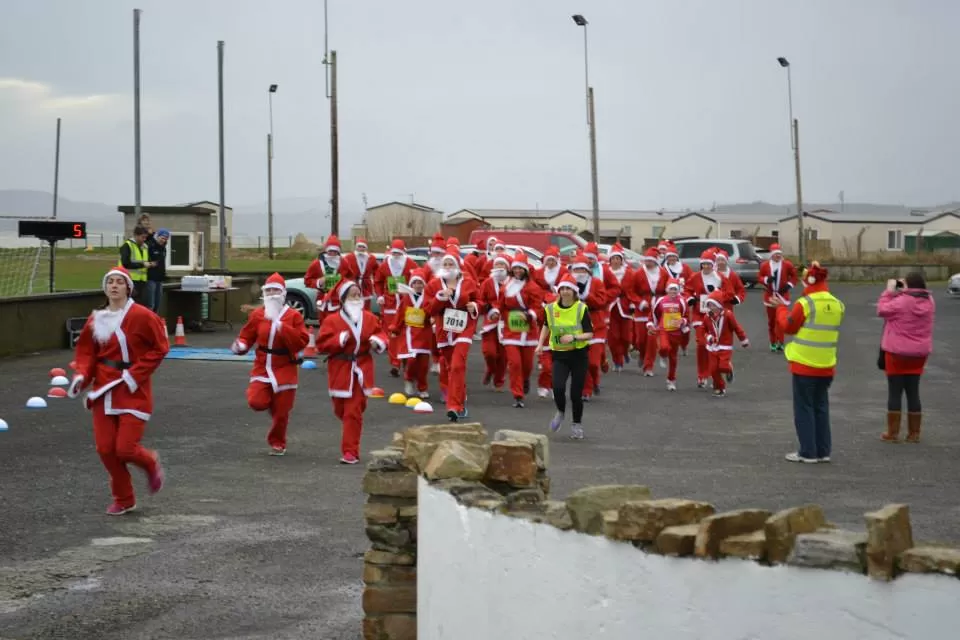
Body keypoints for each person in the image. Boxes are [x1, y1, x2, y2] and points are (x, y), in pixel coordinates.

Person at [67, 266, 169, 515]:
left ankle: (149, 462)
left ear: (128, 287)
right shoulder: (97, 318)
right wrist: (82, 375)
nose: (114, 286)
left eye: (119, 282)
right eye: (110, 282)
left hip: (132, 389)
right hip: (103, 389)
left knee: (125, 448)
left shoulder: (142, 315)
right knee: (105, 449)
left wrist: (135, 375)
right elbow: (87, 353)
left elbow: (161, 347)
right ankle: (124, 499)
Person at [771, 261, 844, 464]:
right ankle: (823, 450)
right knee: (821, 407)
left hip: (804, 364)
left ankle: (807, 452)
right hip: (827, 365)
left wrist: (780, 309)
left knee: (804, 408)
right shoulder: (838, 304)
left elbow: (788, 327)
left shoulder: (806, 303)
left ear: (809, 281)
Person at [231, 273, 310, 455]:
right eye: (269, 290)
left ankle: (277, 442)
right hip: (263, 365)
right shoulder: (258, 315)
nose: (273, 294)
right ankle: (271, 406)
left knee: (282, 413)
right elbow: (247, 335)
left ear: (283, 293)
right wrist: (241, 345)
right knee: (256, 401)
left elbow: (301, 340)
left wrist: (282, 327)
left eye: (276, 290)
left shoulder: (293, 316)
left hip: (286, 367)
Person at [317, 280, 388, 464]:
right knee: (341, 409)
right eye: (352, 295)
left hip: (362, 367)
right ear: (343, 299)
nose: (357, 298)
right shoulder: (332, 320)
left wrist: (377, 341)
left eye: (358, 294)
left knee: (353, 411)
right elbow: (321, 345)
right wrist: (338, 339)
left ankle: (350, 452)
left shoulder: (370, 318)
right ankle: (351, 425)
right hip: (340, 369)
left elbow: (382, 334)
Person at [877, 273, 935, 443]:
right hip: (919, 354)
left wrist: (888, 292)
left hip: (896, 353)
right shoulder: (930, 302)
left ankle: (893, 433)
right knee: (913, 391)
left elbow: (882, 310)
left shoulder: (901, 301)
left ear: (908, 286)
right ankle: (914, 433)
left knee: (895, 391)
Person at [424, 249, 480, 421]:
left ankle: (453, 406)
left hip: (465, 327)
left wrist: (474, 306)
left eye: (451, 264)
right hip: (444, 330)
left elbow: (479, 300)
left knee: (457, 365)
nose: (448, 267)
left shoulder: (468, 282)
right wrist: (441, 297)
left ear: (457, 266)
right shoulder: (434, 285)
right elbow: (428, 310)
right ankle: (460, 403)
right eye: (445, 264)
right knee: (452, 367)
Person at [536, 274, 593, 440]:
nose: (565, 292)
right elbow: (546, 326)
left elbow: (589, 333)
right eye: (563, 289)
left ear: (574, 292)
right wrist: (540, 344)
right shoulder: (551, 308)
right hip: (559, 354)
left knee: (576, 394)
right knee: (558, 387)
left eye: (568, 288)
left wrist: (574, 338)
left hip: (578, 355)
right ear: (558, 291)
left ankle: (577, 424)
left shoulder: (581, 308)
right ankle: (560, 412)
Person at [496, 252, 543, 408]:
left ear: (525, 270)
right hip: (511, 330)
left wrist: (530, 315)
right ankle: (518, 395)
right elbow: (500, 305)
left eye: (520, 269)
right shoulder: (505, 287)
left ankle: (525, 379)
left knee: (527, 365)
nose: (517, 271)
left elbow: (538, 307)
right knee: (514, 363)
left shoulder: (533, 287)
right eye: (515, 268)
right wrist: (497, 313)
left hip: (528, 330)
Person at [684, 250, 735, 388]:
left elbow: (730, 293)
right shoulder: (695, 277)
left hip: (716, 315)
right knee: (701, 344)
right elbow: (687, 290)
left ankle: (723, 369)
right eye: (703, 264)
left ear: (713, 265)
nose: (706, 267)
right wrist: (690, 298)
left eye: (708, 264)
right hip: (700, 314)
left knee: (714, 346)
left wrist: (717, 294)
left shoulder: (720, 278)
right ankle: (702, 375)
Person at [374, 239, 419, 377]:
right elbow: (378, 281)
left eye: (398, 254)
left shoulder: (411, 264)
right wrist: (380, 295)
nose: (396, 256)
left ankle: (406, 360)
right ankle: (395, 363)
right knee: (393, 334)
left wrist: (413, 293)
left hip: (407, 304)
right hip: (390, 304)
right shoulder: (384, 266)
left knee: (407, 333)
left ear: (403, 253)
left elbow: (418, 280)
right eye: (394, 253)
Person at [568, 252, 606, 401]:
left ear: (588, 270)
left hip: (596, 325)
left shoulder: (596, 283)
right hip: (577, 327)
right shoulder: (568, 284)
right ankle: (586, 391)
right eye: (576, 270)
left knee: (593, 363)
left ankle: (595, 381)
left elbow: (601, 302)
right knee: (583, 362)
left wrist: (586, 296)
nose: (579, 273)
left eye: (582, 270)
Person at [391, 269, 434, 399]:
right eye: (415, 283)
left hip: (424, 333)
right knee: (411, 360)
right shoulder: (406, 298)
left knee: (424, 364)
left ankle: (422, 387)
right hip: (409, 333)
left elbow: (432, 310)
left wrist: (432, 318)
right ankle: (409, 379)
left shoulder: (427, 298)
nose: (418, 285)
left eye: (420, 283)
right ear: (411, 284)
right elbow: (400, 314)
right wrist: (395, 329)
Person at [532, 247, 567, 397]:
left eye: (553, 260)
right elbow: (534, 289)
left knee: (557, 360)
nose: (551, 263)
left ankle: (552, 386)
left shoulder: (564, 272)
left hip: (561, 314)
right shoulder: (539, 274)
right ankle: (544, 383)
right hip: (544, 311)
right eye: (548, 260)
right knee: (546, 361)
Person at [702, 290, 749, 398]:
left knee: (723, 367)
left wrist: (743, 339)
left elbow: (736, 327)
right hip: (712, 347)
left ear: (719, 305)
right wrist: (708, 337)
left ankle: (729, 369)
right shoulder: (707, 317)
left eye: (713, 305)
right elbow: (703, 330)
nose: (711, 307)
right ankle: (719, 388)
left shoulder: (728, 315)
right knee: (713, 370)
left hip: (725, 346)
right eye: (709, 305)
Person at [632, 248, 669, 376]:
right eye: (646, 260)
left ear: (655, 261)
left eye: (650, 260)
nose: (647, 263)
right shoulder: (638, 273)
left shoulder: (663, 273)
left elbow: (668, 289)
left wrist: (666, 303)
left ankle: (648, 366)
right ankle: (642, 355)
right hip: (642, 310)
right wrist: (639, 302)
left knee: (652, 340)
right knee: (640, 340)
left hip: (656, 310)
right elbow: (631, 291)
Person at [648, 278, 689, 391]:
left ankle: (671, 380)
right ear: (667, 290)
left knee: (673, 358)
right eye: (671, 289)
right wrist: (652, 326)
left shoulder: (682, 301)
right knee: (664, 347)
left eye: (675, 289)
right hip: (663, 329)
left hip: (676, 332)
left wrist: (683, 322)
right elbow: (653, 315)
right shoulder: (660, 300)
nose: (673, 292)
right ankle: (662, 354)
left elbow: (686, 317)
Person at [479, 254, 510, 392]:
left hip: (506, 323)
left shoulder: (512, 283)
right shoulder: (487, 283)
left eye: (502, 265)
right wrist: (489, 308)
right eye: (497, 265)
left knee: (503, 356)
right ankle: (490, 370)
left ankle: (499, 380)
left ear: (507, 268)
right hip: (490, 323)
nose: (499, 268)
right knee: (489, 352)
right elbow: (480, 300)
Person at [758, 243, 797, 352]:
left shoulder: (787, 264)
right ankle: (773, 342)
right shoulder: (765, 265)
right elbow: (759, 277)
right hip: (770, 296)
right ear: (771, 255)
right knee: (771, 321)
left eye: (779, 254)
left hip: (782, 296)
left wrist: (789, 285)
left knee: (781, 320)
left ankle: (781, 342)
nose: (777, 256)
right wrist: (766, 280)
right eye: (775, 254)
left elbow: (794, 276)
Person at [605, 244, 637, 372]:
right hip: (611, 308)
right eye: (613, 258)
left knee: (626, 337)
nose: (616, 261)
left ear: (621, 260)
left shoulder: (629, 273)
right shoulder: (606, 272)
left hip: (625, 306)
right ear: (610, 260)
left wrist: (633, 303)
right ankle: (617, 361)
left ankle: (625, 352)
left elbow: (633, 290)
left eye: (618, 258)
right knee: (613, 339)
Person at [662, 244, 694, 356]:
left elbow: (692, 280)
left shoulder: (684, 268)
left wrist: (689, 295)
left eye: (673, 257)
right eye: (669, 257)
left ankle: (684, 344)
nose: (671, 259)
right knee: (668, 325)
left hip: (682, 299)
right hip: (669, 299)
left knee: (685, 325)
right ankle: (669, 345)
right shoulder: (663, 270)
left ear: (677, 257)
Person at [338, 237, 378, 310]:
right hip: (353, 285)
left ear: (366, 248)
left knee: (366, 306)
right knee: (352, 305)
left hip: (366, 286)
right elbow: (343, 273)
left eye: (363, 247)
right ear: (356, 247)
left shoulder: (371, 258)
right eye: (359, 246)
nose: (361, 249)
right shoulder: (348, 258)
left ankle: (365, 320)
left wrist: (375, 284)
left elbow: (377, 273)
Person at [118, 225, 153, 304]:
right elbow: (125, 263)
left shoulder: (145, 247)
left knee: (140, 305)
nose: (144, 239)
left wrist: (150, 263)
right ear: (136, 235)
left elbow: (146, 260)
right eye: (142, 237)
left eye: (145, 237)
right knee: (130, 305)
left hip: (142, 281)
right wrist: (143, 265)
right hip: (129, 280)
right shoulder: (127, 245)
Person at [144, 228, 169, 313]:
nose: (163, 240)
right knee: (150, 304)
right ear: (157, 237)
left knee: (157, 304)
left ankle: (154, 323)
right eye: (162, 238)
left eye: (165, 239)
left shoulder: (163, 248)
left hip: (160, 279)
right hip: (150, 278)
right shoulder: (150, 245)